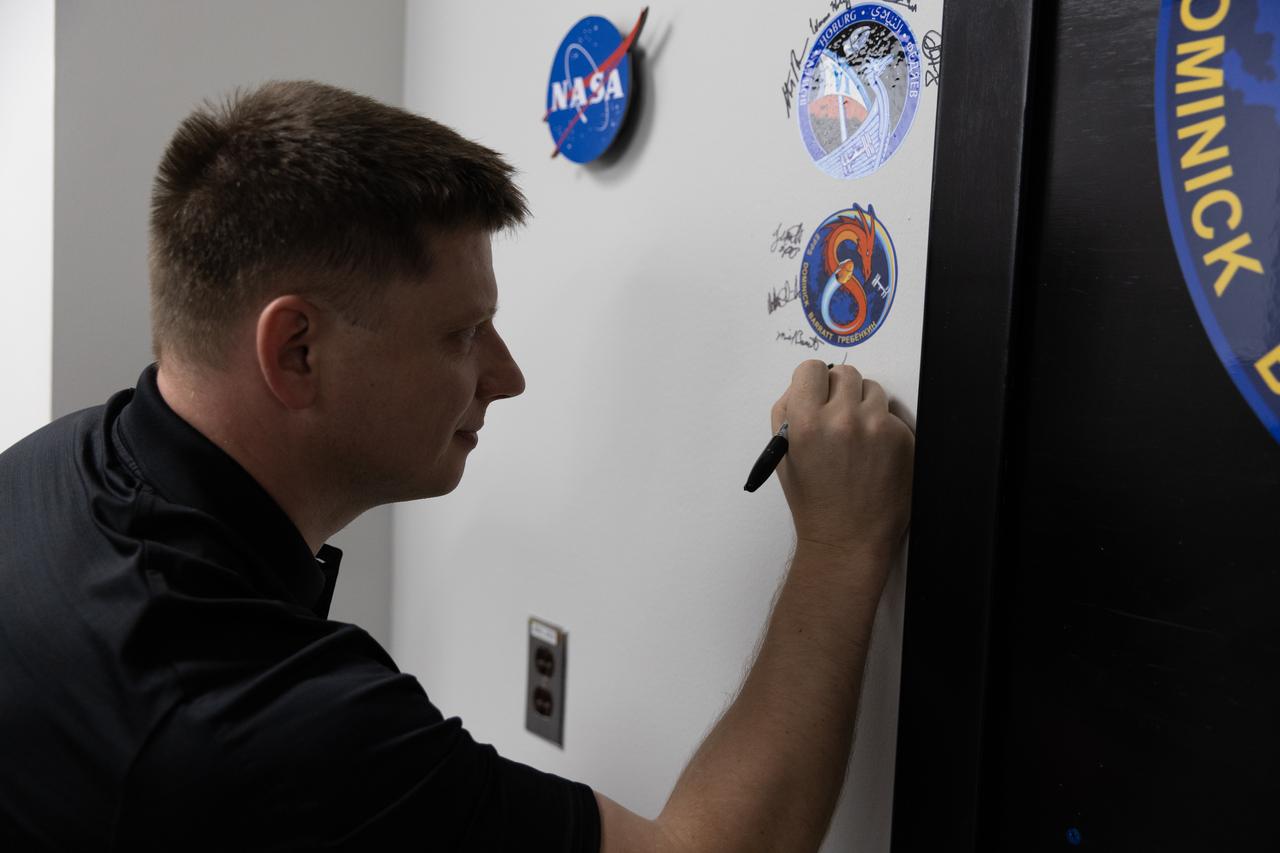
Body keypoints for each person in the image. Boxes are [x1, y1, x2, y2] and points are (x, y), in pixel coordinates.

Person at [0, 80, 914, 851]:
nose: (507, 377)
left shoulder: (50, 468)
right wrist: (839, 548)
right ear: (297, 351)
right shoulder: (260, 720)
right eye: (462, 333)